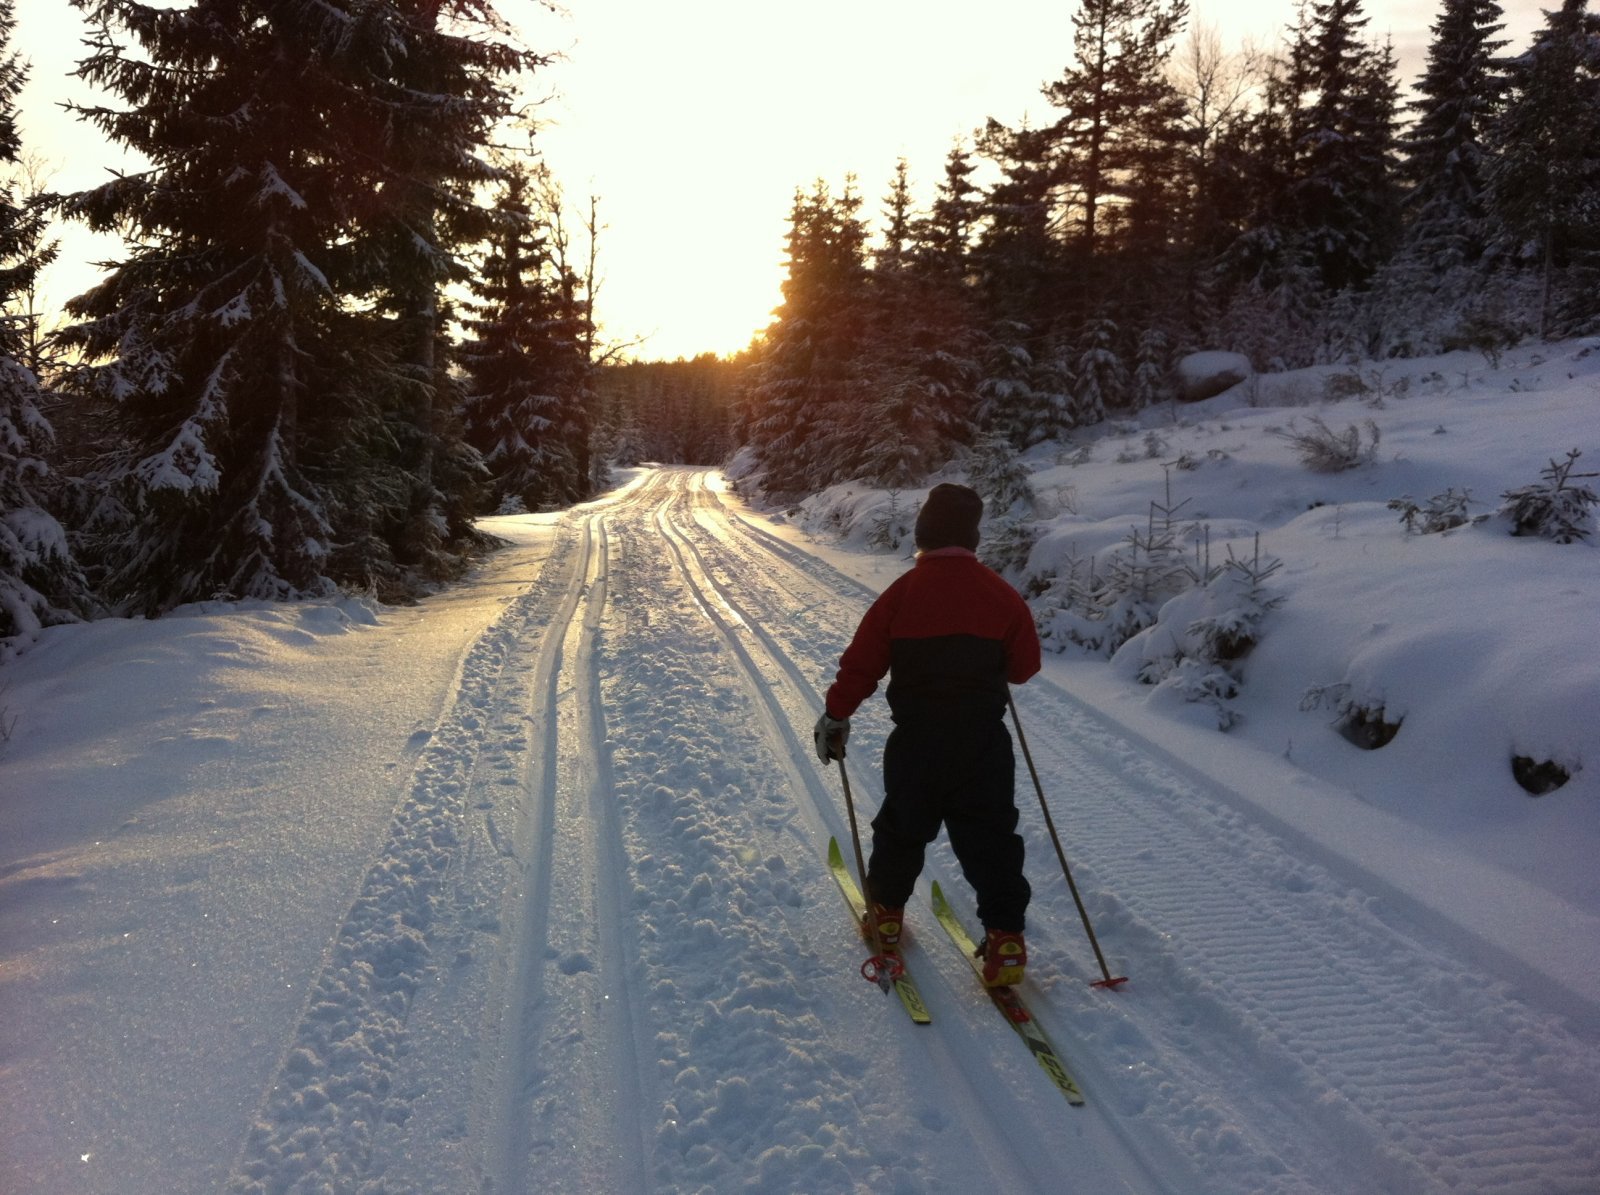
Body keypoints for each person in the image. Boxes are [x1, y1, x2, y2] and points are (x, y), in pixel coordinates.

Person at [814, 482, 1041, 987]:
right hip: (984, 744)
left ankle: (888, 914)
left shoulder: (902, 594)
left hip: (917, 743)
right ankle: (1005, 937)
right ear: (972, 537)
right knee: (991, 838)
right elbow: (1024, 669)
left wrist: (836, 715)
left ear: (924, 534)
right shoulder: (1002, 595)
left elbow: (862, 665)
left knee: (902, 828)